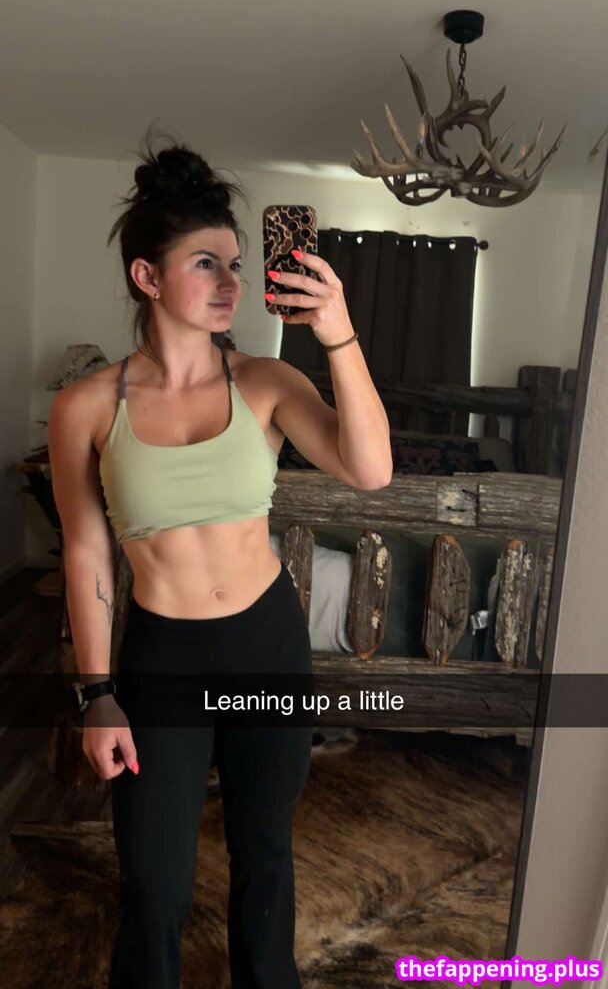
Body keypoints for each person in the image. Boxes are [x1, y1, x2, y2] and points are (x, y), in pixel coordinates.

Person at [47, 131, 393, 989]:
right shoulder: (85, 405)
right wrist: (95, 694)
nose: (231, 282)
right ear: (147, 276)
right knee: (154, 884)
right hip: (161, 658)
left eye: (236, 263)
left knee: (264, 857)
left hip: (264, 644)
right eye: (206, 264)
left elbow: (371, 470)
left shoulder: (267, 382)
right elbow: (88, 551)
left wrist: (339, 336)